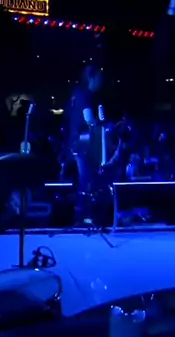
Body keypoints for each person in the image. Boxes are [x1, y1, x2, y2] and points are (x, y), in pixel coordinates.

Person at [66, 64, 106, 222]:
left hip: (76, 140)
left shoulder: (76, 95)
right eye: (99, 78)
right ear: (91, 78)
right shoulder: (87, 95)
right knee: (86, 178)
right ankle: (83, 216)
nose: (101, 81)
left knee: (85, 178)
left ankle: (83, 215)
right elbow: (89, 119)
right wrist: (100, 125)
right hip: (84, 141)